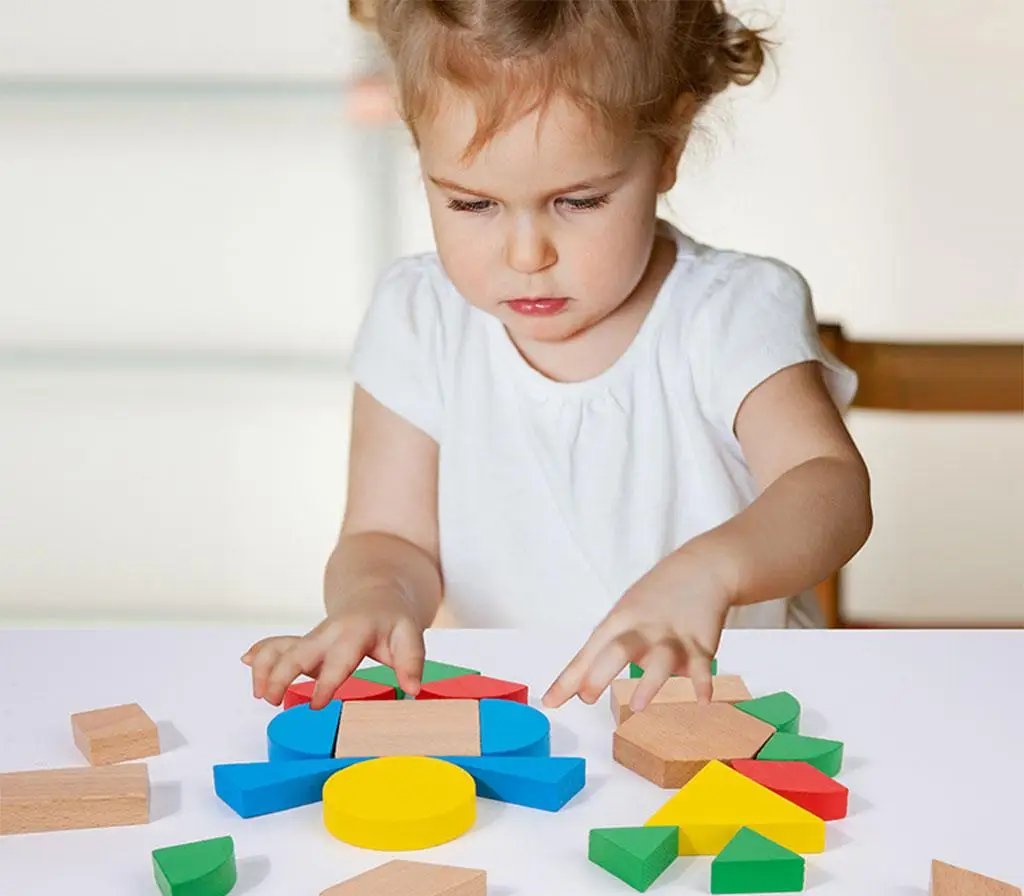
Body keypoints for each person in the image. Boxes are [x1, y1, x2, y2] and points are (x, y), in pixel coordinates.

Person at [243, 0, 872, 716]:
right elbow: (387, 536)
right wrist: (373, 600)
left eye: (577, 201)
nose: (526, 255)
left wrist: (713, 569)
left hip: (729, 711)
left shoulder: (732, 311)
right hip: (527, 723)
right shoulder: (419, 318)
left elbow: (829, 487)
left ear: (666, 149)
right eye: (472, 206)